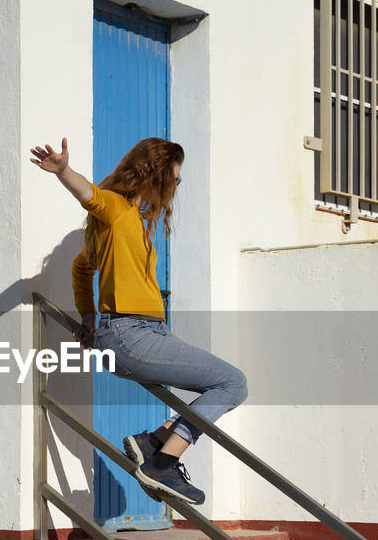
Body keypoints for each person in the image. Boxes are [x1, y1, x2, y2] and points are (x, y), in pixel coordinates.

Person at [29, 136, 247, 505]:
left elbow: (81, 268)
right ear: (156, 174)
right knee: (231, 383)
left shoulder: (130, 223)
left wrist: (88, 319)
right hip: (131, 334)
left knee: (225, 385)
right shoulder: (114, 209)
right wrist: (64, 171)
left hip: (139, 333)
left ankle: (155, 441)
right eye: (174, 181)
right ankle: (162, 461)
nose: (174, 189)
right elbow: (90, 193)